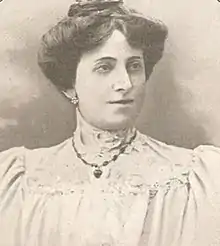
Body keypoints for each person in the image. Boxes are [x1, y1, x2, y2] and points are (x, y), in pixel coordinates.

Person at [1, 0, 220, 245]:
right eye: (105, 67)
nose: (125, 83)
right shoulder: (17, 179)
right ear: (68, 84)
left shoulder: (195, 178)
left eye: (134, 66)